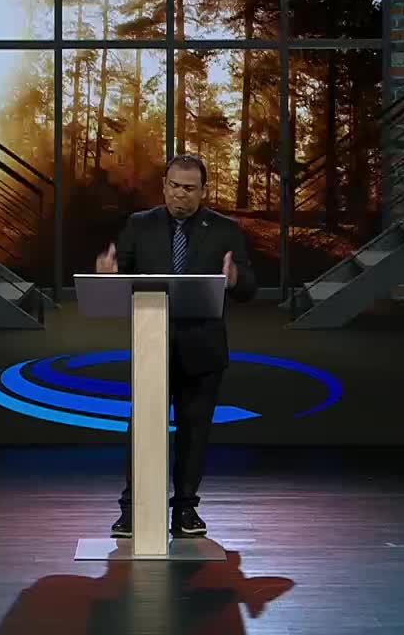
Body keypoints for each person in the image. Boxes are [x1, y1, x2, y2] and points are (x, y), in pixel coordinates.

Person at [94, 153, 257, 538]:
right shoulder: (139, 224)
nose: (179, 195)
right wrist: (110, 276)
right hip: (153, 342)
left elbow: (250, 287)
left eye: (188, 188)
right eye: (173, 186)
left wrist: (234, 279)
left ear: (203, 191)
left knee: (194, 430)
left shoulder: (224, 229)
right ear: (164, 186)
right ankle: (132, 509)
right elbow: (124, 278)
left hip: (203, 347)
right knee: (144, 428)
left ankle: (185, 510)